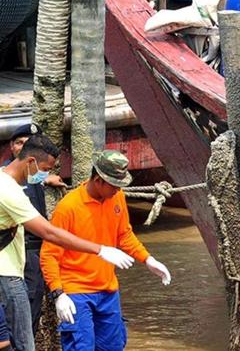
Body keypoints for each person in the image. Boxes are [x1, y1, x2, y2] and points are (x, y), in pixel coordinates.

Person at [0, 135, 134, 351]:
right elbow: (49, 234)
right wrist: (99, 249)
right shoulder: (12, 192)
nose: (45, 174)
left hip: (16, 270)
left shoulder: (9, 183)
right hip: (8, 275)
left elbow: (126, 234)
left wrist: (147, 258)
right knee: (24, 342)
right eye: (45, 169)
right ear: (31, 162)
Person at [40, 150, 171, 351]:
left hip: (108, 290)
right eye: (115, 185)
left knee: (113, 346)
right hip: (76, 291)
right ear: (98, 179)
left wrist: (148, 259)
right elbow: (49, 253)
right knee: (81, 346)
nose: (118, 190)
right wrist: (58, 293)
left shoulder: (116, 199)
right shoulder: (68, 207)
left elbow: (124, 235)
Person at [2, 124, 67, 337]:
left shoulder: (34, 176)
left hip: (37, 254)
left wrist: (46, 178)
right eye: (19, 142)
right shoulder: (8, 181)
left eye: (28, 143)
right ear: (11, 147)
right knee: (19, 319)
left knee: (33, 310)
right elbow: (47, 230)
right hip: (19, 253)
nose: (23, 147)